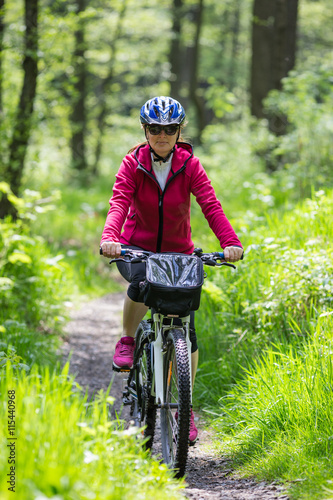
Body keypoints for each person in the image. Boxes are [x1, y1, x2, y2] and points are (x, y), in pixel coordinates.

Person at [100, 96, 243, 444]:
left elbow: (209, 203)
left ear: (180, 131)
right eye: (154, 128)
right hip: (137, 247)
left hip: (179, 252)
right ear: (145, 130)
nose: (162, 135)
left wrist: (230, 242)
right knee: (141, 284)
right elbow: (119, 201)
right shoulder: (132, 164)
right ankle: (129, 338)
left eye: (169, 129)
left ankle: (185, 407)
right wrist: (110, 237)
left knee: (187, 327)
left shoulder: (189, 165)